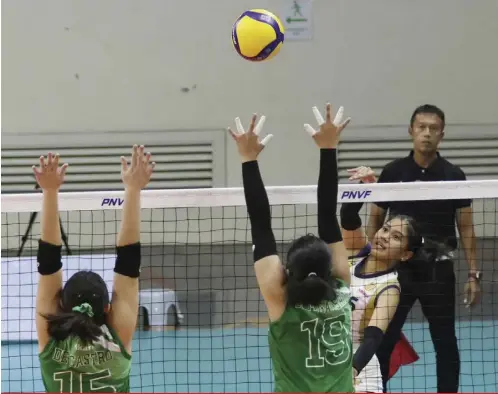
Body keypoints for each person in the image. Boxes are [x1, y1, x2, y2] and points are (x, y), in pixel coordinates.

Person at [228, 103, 353, 392]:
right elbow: (327, 215)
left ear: (286, 271)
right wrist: (329, 148)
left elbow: (260, 223)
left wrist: (247, 158)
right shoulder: (342, 288)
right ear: (330, 268)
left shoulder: (280, 300)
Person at [369, 104, 480, 393]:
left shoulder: (454, 175)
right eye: (421, 127)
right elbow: (375, 219)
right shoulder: (393, 171)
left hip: (438, 273)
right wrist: (373, 265)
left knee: (445, 343)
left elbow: (466, 227)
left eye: (433, 128)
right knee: (382, 339)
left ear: (442, 134)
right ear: (411, 131)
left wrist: (473, 274)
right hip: (397, 272)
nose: (427, 133)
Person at [34, 145, 155, 393]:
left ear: (63, 306)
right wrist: (133, 190)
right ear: (108, 308)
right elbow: (128, 263)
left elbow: (48, 264)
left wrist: (49, 191)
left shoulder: (51, 337)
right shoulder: (117, 336)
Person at [340, 166, 424, 392]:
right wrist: (366, 187)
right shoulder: (357, 253)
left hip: (360, 371)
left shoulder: (389, 288)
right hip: (328, 361)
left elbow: (373, 339)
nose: (385, 237)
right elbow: (348, 217)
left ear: (406, 254)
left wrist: (353, 370)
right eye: (385, 229)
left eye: (396, 237)